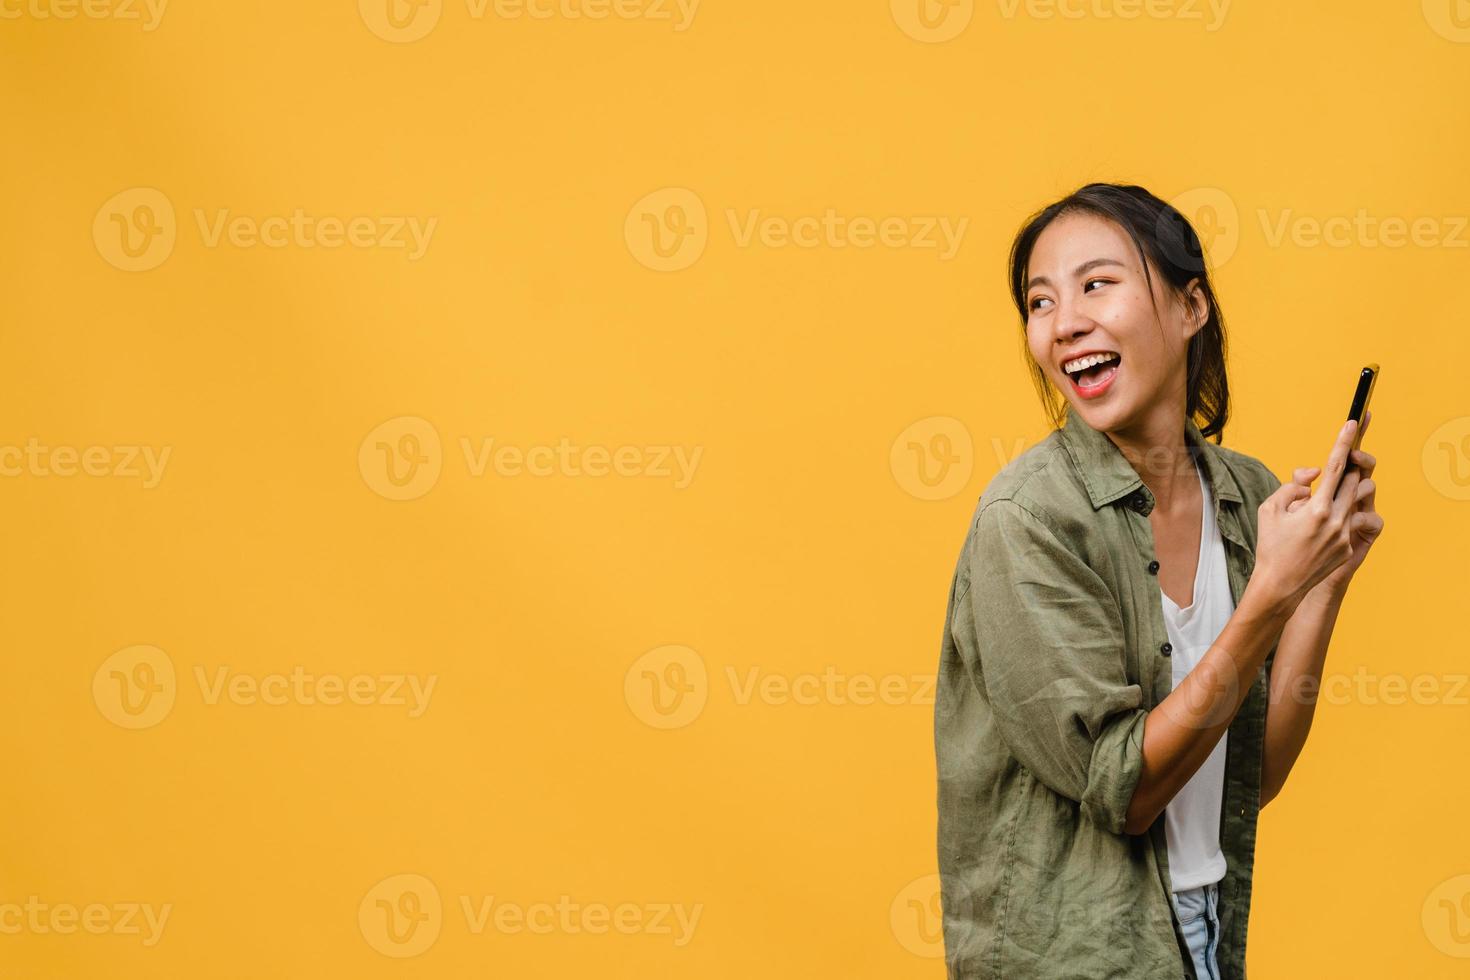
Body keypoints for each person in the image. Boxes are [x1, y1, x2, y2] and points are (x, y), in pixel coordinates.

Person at [933, 182, 1383, 979]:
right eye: (1040, 302)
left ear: (1190, 307)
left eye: (1096, 283)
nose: (1065, 322)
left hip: (1203, 933)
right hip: (1074, 954)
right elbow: (1129, 791)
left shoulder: (1245, 496)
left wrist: (1321, 583)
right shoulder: (1027, 519)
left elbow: (1252, 770)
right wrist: (1272, 594)